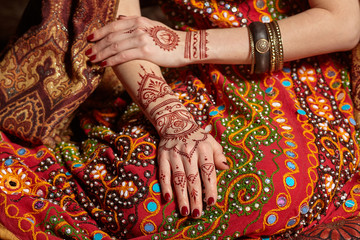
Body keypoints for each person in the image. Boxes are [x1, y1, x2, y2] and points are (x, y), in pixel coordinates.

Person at [0, 0, 360, 239]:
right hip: (190, 76)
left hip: (299, 68)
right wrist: (171, 117)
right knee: (146, 193)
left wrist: (187, 46)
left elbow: (343, 22)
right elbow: (118, 26)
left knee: (272, 181)